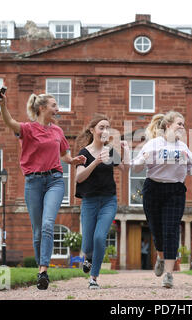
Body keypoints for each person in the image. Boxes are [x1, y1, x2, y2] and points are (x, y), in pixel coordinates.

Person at [0, 89, 86, 290]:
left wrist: (73, 160)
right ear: (42, 108)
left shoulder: (58, 131)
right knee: (37, 232)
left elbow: (64, 155)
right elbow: (10, 122)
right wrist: (3, 105)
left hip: (55, 180)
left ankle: (43, 270)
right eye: (54, 106)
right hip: (33, 183)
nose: (57, 109)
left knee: (47, 224)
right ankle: (40, 268)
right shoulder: (27, 129)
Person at [130, 111, 192, 288]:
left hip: (175, 190)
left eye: (183, 124)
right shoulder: (153, 144)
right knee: (156, 230)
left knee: (171, 230)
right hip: (153, 188)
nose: (182, 127)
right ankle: (160, 256)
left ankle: (169, 274)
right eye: (179, 124)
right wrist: (142, 159)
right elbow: (135, 167)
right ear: (168, 126)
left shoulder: (183, 147)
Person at [75, 114, 129, 290]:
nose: (105, 131)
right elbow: (79, 177)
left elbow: (125, 169)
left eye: (107, 128)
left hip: (108, 201)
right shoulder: (83, 153)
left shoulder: (110, 151)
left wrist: (126, 149)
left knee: (99, 237)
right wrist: (96, 162)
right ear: (92, 130)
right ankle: (88, 258)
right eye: (101, 127)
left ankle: (93, 278)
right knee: (87, 244)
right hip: (89, 201)